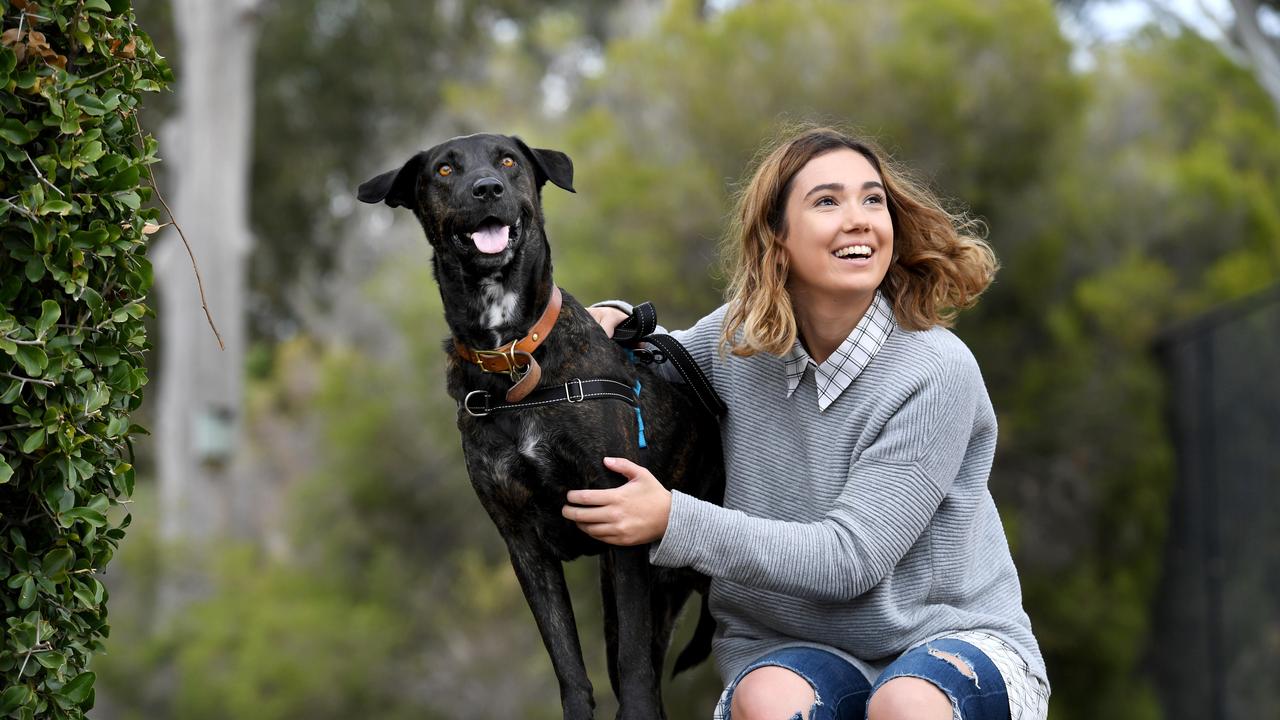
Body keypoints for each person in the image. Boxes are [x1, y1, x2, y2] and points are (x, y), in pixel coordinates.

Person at [561, 126, 1050, 720]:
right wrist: (617, 324)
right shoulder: (739, 341)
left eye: (873, 200)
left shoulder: (935, 370)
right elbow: (668, 365)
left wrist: (672, 520)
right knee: (769, 702)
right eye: (827, 201)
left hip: (950, 641)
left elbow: (851, 559)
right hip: (790, 647)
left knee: (906, 704)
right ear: (778, 238)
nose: (860, 219)